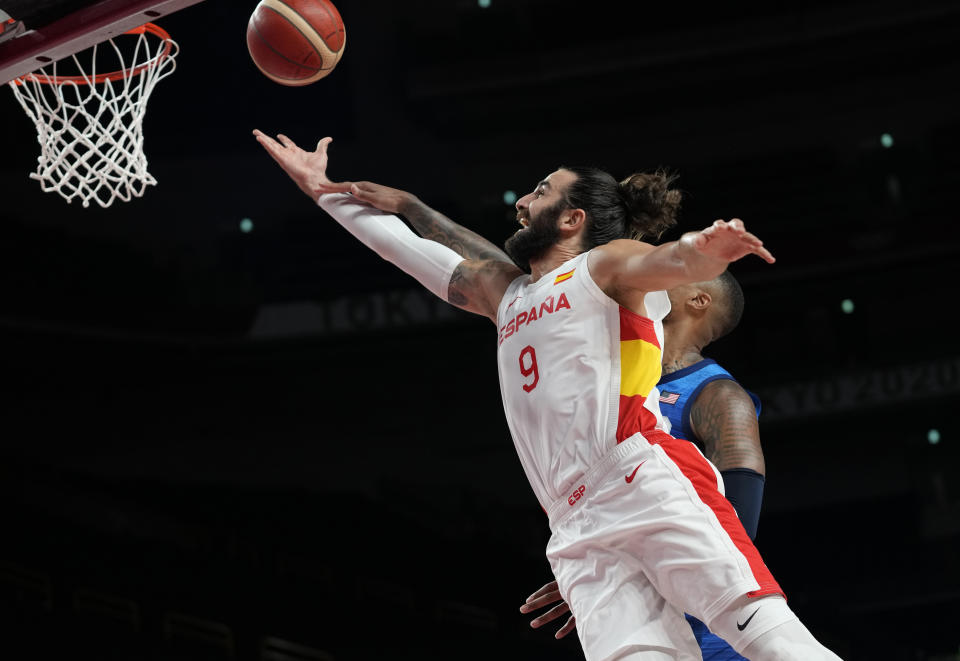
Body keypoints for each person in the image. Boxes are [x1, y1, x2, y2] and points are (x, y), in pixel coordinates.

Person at [252, 129, 842, 660]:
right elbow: (411, 250)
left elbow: (671, 260)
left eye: (540, 191)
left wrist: (705, 249)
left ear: (571, 219)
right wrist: (324, 192)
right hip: (572, 522)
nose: (522, 201)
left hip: (640, 479)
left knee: (771, 641)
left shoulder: (606, 266)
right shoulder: (504, 295)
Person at [521, 272, 766, 660]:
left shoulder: (718, 395)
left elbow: (738, 528)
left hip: (713, 634)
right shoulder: (620, 379)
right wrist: (600, 563)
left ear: (699, 301)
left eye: (679, 272)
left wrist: (631, 561)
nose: (656, 270)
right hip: (638, 616)